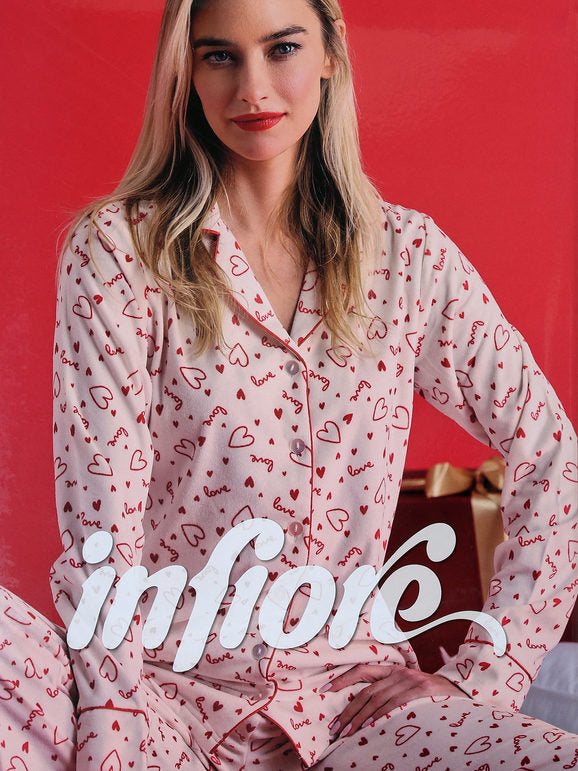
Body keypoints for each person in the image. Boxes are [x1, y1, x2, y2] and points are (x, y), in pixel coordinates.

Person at [1, 0, 577, 768]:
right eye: (220, 55)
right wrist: (115, 724)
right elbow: (100, 529)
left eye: (282, 48)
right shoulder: (120, 254)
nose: (253, 88)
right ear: (186, 72)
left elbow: (554, 455)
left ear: (330, 54)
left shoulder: (409, 260)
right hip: (164, 703)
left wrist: (484, 676)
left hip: (355, 712)